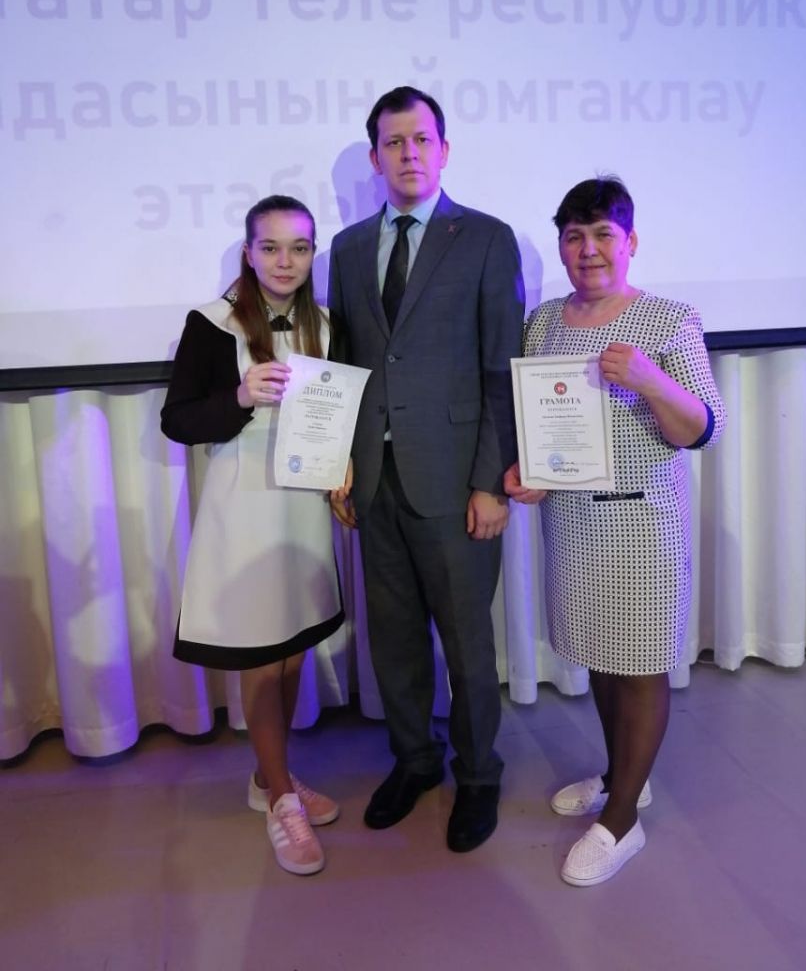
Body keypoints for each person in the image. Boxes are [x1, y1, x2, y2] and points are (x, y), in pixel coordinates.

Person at [504, 176, 725, 886]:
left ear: (631, 242)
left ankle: (623, 819)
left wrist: (652, 381)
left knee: (640, 665)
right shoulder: (544, 321)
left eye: (604, 234)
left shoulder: (667, 320)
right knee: (602, 655)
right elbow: (541, 422)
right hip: (571, 521)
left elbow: (703, 429)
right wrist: (528, 471)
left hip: (641, 519)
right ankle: (621, 776)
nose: (589, 249)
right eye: (574, 236)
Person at [328, 86, 524, 852]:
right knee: (395, 639)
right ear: (375, 157)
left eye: (421, 140)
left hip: (454, 482)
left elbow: (500, 368)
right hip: (374, 480)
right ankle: (415, 760)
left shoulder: (487, 239)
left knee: (468, 645)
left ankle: (478, 775)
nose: (408, 153)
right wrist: (339, 463)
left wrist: (490, 481)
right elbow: (344, 364)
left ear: (444, 150)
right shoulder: (347, 248)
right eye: (393, 142)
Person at [161, 195, 343, 878]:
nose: (285, 260)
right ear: (248, 252)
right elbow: (177, 420)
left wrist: (345, 470)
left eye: (299, 247)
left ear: (313, 253)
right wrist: (239, 397)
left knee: (292, 653)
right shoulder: (211, 324)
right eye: (270, 247)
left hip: (304, 509)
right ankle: (281, 801)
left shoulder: (326, 323)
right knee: (263, 659)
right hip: (244, 509)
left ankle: (271, 779)